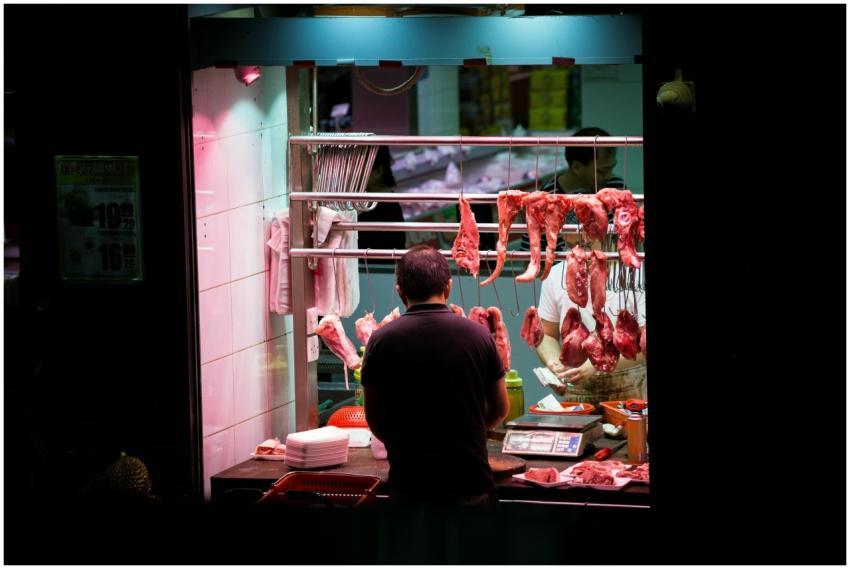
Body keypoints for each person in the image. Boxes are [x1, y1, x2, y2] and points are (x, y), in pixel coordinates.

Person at [361, 245, 509, 508]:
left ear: (400, 292)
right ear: (448, 287)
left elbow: (375, 420)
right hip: (472, 489)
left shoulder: (381, 341)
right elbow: (500, 408)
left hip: (409, 491)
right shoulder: (479, 336)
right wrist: (466, 429)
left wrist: (409, 438)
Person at [535, 260, 646, 406]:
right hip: (577, 398)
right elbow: (546, 334)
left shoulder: (637, 273)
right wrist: (555, 365)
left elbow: (644, 345)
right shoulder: (555, 275)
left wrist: (597, 364)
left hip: (631, 396)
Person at [521, 126, 624, 252]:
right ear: (577, 167)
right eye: (603, 171)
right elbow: (529, 255)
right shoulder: (547, 197)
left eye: (611, 168)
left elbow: (625, 241)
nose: (609, 176)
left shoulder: (615, 187)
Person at [356, 145, 406, 257]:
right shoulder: (385, 202)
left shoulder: (383, 209)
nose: (355, 174)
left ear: (378, 171)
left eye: (360, 168)